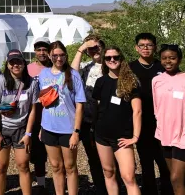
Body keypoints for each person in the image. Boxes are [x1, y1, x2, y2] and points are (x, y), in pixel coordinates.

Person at [92, 47, 141, 195]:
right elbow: (99, 107)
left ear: (121, 59)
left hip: (122, 137)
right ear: (104, 61)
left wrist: (135, 137)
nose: (112, 60)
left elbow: (137, 111)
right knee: (108, 172)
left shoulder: (131, 81)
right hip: (102, 136)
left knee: (128, 178)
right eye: (108, 58)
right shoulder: (101, 82)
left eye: (115, 57)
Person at [0, 50, 38, 195]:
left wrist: (28, 133)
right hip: (2, 127)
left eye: (19, 62)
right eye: (12, 62)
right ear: (8, 65)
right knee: (0, 165)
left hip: (21, 128)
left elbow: (33, 109)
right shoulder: (0, 81)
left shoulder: (31, 83)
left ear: (24, 63)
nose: (16, 65)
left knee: (23, 165)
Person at [39, 41, 85, 195]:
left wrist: (76, 132)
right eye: (55, 55)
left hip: (68, 129)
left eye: (62, 55)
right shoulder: (44, 74)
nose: (59, 58)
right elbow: (43, 102)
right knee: (56, 166)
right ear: (50, 56)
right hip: (49, 127)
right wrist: (41, 127)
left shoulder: (73, 75)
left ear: (66, 56)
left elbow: (79, 106)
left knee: (70, 167)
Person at [129, 33, 173, 195]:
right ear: (136, 48)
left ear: (155, 47)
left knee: (165, 163)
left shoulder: (163, 66)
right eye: (142, 45)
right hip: (141, 122)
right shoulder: (130, 68)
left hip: (163, 123)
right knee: (146, 164)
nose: (145, 48)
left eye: (149, 45)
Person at [71, 35, 108, 195]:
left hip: (107, 120)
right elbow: (71, 73)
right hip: (87, 121)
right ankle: (101, 189)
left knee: (109, 158)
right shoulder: (86, 67)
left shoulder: (111, 64)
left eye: (97, 47)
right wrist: (82, 48)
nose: (94, 51)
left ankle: (112, 187)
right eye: (90, 48)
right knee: (92, 157)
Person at [153, 44, 185, 195]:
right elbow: (157, 108)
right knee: (175, 178)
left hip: (182, 135)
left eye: (172, 58)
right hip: (164, 135)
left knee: (176, 178)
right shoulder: (156, 81)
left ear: (179, 59)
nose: (168, 61)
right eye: (164, 58)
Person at [27, 37, 52, 192]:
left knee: (56, 152)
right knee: (37, 153)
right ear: (35, 51)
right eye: (39, 49)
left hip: (53, 115)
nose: (42, 53)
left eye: (45, 49)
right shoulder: (28, 69)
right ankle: (41, 184)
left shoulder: (56, 67)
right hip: (34, 116)